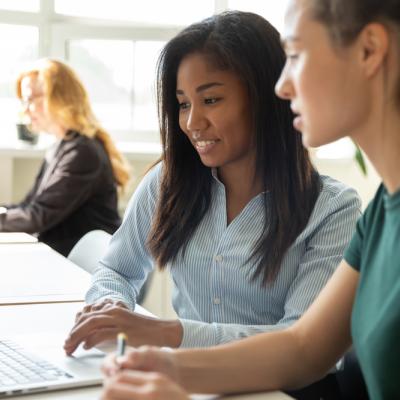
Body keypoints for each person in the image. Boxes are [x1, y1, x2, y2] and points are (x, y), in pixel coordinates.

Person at [99, 1, 400, 399]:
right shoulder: (382, 208)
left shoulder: (337, 206)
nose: (281, 86)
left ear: (369, 50)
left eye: (294, 55)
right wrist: (166, 364)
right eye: (184, 102)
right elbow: (302, 348)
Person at [0, 59, 130, 256]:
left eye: (30, 99)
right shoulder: (61, 148)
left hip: (85, 270)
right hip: (65, 261)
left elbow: (38, 216)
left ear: (59, 99)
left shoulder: (83, 153)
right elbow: (29, 207)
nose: (24, 109)